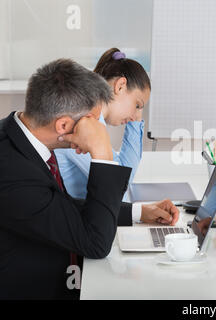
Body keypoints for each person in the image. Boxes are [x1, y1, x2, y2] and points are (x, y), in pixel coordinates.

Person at [0, 59, 179, 300]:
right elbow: (96, 244)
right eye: (93, 123)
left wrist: (138, 212)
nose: (98, 130)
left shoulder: (20, 137)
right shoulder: (12, 170)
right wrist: (101, 152)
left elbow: (58, 208)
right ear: (64, 125)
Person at [55, 48, 149, 201]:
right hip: (80, 216)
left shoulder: (94, 121)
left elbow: (123, 171)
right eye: (137, 105)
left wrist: (137, 117)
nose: (135, 116)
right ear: (120, 86)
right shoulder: (82, 122)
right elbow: (120, 186)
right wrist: (136, 122)